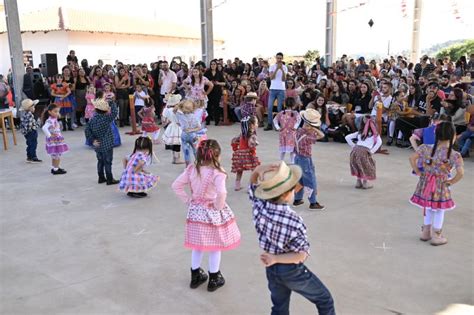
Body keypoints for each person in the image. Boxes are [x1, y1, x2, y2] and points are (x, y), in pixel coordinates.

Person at [248, 161, 335, 315]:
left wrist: (257, 171)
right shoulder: (294, 220)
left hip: (271, 269)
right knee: (325, 299)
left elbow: (252, 187)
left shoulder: (260, 206)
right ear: (287, 194)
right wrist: (276, 258)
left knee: (279, 308)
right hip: (290, 269)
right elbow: (301, 255)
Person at [172, 139, 241, 292]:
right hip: (212, 213)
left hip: (195, 212)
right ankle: (214, 278)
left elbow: (176, 185)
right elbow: (222, 193)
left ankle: (195, 276)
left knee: (197, 245)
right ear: (217, 156)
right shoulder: (218, 173)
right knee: (215, 246)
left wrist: (188, 201)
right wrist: (218, 206)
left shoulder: (192, 169)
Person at [409, 121, 464, 246]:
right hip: (441, 185)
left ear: (436, 134)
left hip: (425, 182)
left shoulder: (425, 147)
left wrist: (418, 172)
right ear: (453, 136)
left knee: (428, 206)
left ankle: (425, 232)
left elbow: (412, 158)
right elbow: (461, 173)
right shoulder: (454, 155)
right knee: (439, 209)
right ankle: (437, 236)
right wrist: (450, 182)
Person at [293, 109, 326, 210]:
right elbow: (322, 135)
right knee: (309, 180)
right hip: (305, 159)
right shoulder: (308, 135)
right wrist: (314, 129)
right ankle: (313, 202)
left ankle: (297, 199)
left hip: (297, 158)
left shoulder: (298, 131)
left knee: (299, 179)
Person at [84, 98, 119, 185]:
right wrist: (111, 102)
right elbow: (115, 112)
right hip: (107, 144)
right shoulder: (106, 119)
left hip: (97, 144)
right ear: (106, 111)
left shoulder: (92, 119)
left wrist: (92, 140)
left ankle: (101, 177)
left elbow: (87, 130)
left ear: (95, 109)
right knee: (108, 162)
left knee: (100, 161)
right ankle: (109, 179)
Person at [345, 116, 382, 189]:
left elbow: (347, 137)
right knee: (367, 166)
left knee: (357, 165)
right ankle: (365, 182)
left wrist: (354, 146)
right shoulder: (375, 135)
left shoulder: (359, 133)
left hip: (355, 151)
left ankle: (358, 182)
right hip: (365, 151)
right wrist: (372, 151)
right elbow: (379, 142)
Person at [231, 116, 260, 191]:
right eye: (256, 123)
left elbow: (234, 140)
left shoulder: (242, 134)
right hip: (248, 154)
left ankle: (237, 186)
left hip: (240, 154)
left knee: (239, 171)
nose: (257, 124)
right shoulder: (253, 135)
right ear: (252, 125)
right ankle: (250, 187)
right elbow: (250, 145)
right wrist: (255, 144)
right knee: (254, 170)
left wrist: (236, 148)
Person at [176, 99, 207, 166]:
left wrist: (181, 103)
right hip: (192, 135)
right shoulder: (194, 117)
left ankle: (188, 165)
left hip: (184, 134)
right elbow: (199, 127)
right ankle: (197, 163)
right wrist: (192, 130)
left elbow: (175, 109)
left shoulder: (180, 115)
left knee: (186, 151)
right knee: (195, 150)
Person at [41, 103, 69, 175]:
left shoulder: (53, 119)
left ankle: (55, 168)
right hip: (55, 141)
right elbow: (44, 128)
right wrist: (50, 136)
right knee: (57, 155)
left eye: (58, 111)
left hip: (56, 140)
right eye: (55, 111)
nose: (57, 113)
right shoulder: (50, 120)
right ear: (50, 112)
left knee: (55, 155)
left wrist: (57, 115)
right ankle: (56, 169)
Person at [273, 98, 301, 163]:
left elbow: (275, 120)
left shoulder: (281, 113)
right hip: (291, 133)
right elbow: (299, 120)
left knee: (283, 148)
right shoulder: (295, 113)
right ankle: (292, 162)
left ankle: (281, 161)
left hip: (283, 133)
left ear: (284, 104)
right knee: (292, 149)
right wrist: (295, 127)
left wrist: (278, 127)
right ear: (294, 105)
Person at [265, 52, 288, 130]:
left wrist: (281, 69)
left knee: (279, 108)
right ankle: (269, 124)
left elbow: (284, 79)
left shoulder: (285, 67)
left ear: (282, 58)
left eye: (280, 58)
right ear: (276, 58)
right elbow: (271, 78)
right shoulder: (272, 66)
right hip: (273, 89)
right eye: (278, 58)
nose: (279, 60)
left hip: (281, 89)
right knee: (270, 107)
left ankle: (279, 124)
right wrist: (277, 69)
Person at [162, 94, 184, 164]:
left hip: (171, 126)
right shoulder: (177, 110)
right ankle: (177, 158)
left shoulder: (167, 110)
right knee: (177, 144)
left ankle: (174, 158)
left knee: (174, 143)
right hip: (177, 127)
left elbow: (164, 118)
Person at [20, 99, 42, 163]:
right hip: (31, 132)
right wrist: (37, 124)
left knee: (29, 144)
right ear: (30, 108)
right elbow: (30, 125)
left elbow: (23, 124)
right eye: (33, 107)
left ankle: (29, 156)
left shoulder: (24, 114)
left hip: (27, 133)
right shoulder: (30, 115)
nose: (34, 108)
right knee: (33, 144)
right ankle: (33, 157)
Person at [204, 59, 225, 125]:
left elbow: (224, 83)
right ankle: (208, 120)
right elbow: (203, 81)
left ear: (216, 65)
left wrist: (218, 83)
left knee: (216, 106)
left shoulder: (219, 73)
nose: (213, 65)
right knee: (208, 106)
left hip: (217, 91)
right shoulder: (207, 72)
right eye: (211, 64)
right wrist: (209, 83)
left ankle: (217, 120)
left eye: (214, 64)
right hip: (209, 91)